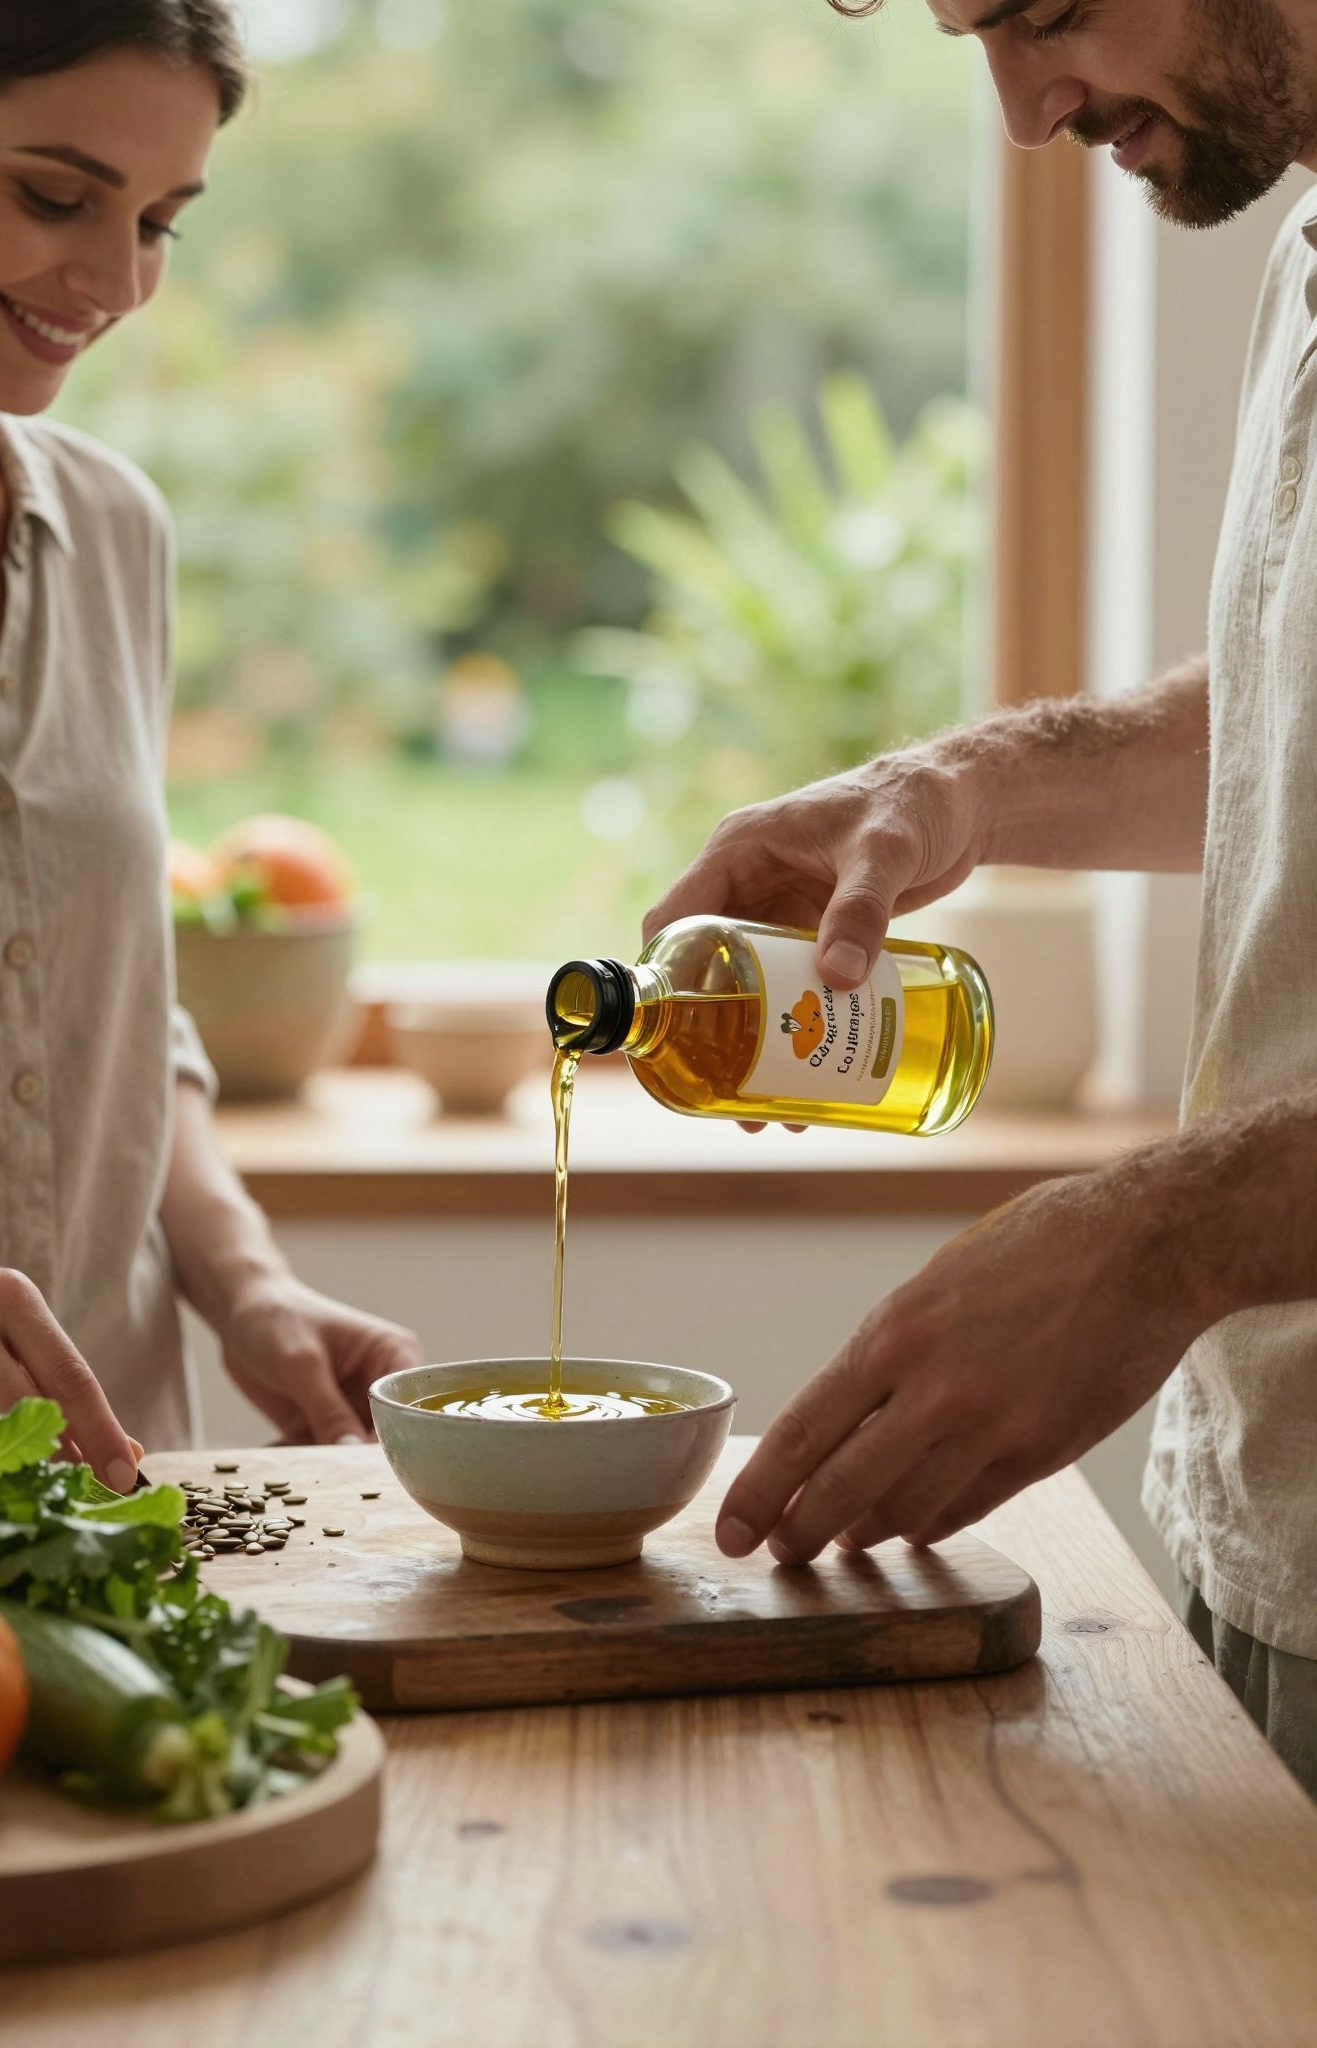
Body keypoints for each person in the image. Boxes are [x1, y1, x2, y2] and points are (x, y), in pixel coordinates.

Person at [656, 0, 1317, 1795]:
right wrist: (968, 786)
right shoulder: (1312, 235)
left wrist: (1160, 1242)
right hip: (1275, 1525)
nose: (1030, 111)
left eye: (1043, 10)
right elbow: (1289, 715)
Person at [0, 0, 423, 1490]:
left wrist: (247, 1288)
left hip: (122, 1519)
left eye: (160, 223)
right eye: (54, 197)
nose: (114, 279)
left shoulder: (114, 531)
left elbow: (118, 1014)